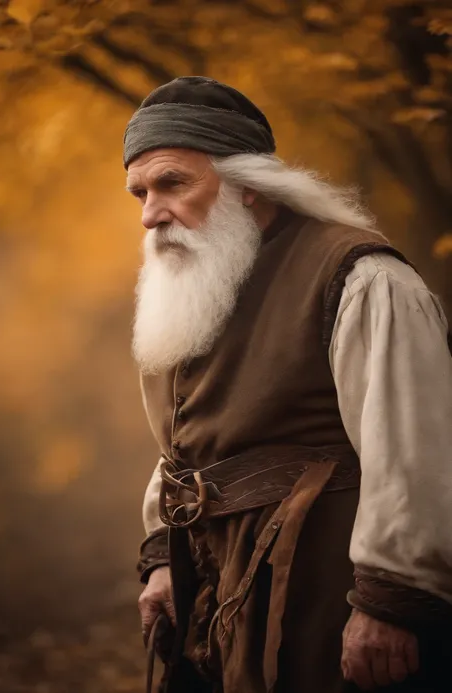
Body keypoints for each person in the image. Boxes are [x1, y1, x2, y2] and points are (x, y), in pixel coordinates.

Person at [123, 77, 452, 693]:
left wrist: (390, 600)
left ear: (248, 184)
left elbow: (416, 455)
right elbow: (187, 446)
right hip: (210, 585)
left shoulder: (361, 278)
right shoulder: (203, 280)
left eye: (173, 183)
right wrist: (163, 557)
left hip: (325, 594)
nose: (150, 213)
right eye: (139, 191)